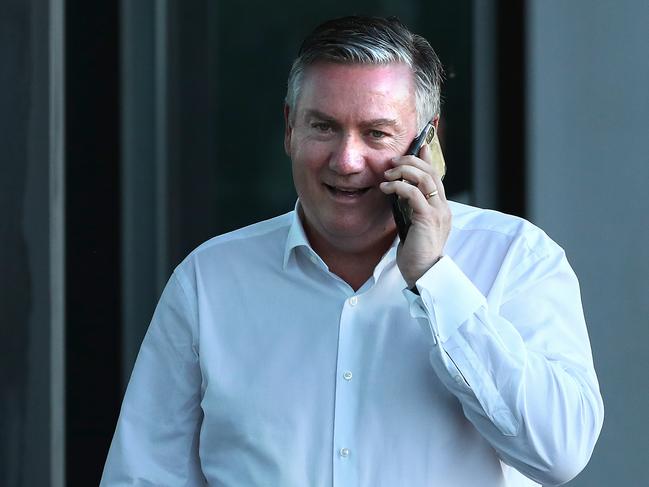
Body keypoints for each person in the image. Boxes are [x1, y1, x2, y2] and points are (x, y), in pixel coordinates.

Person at [100, 16, 603, 487]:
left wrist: (434, 279)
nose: (346, 160)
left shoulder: (516, 258)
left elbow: (560, 453)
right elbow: (143, 475)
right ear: (289, 129)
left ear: (427, 144)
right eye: (323, 126)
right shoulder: (209, 279)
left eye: (377, 133)